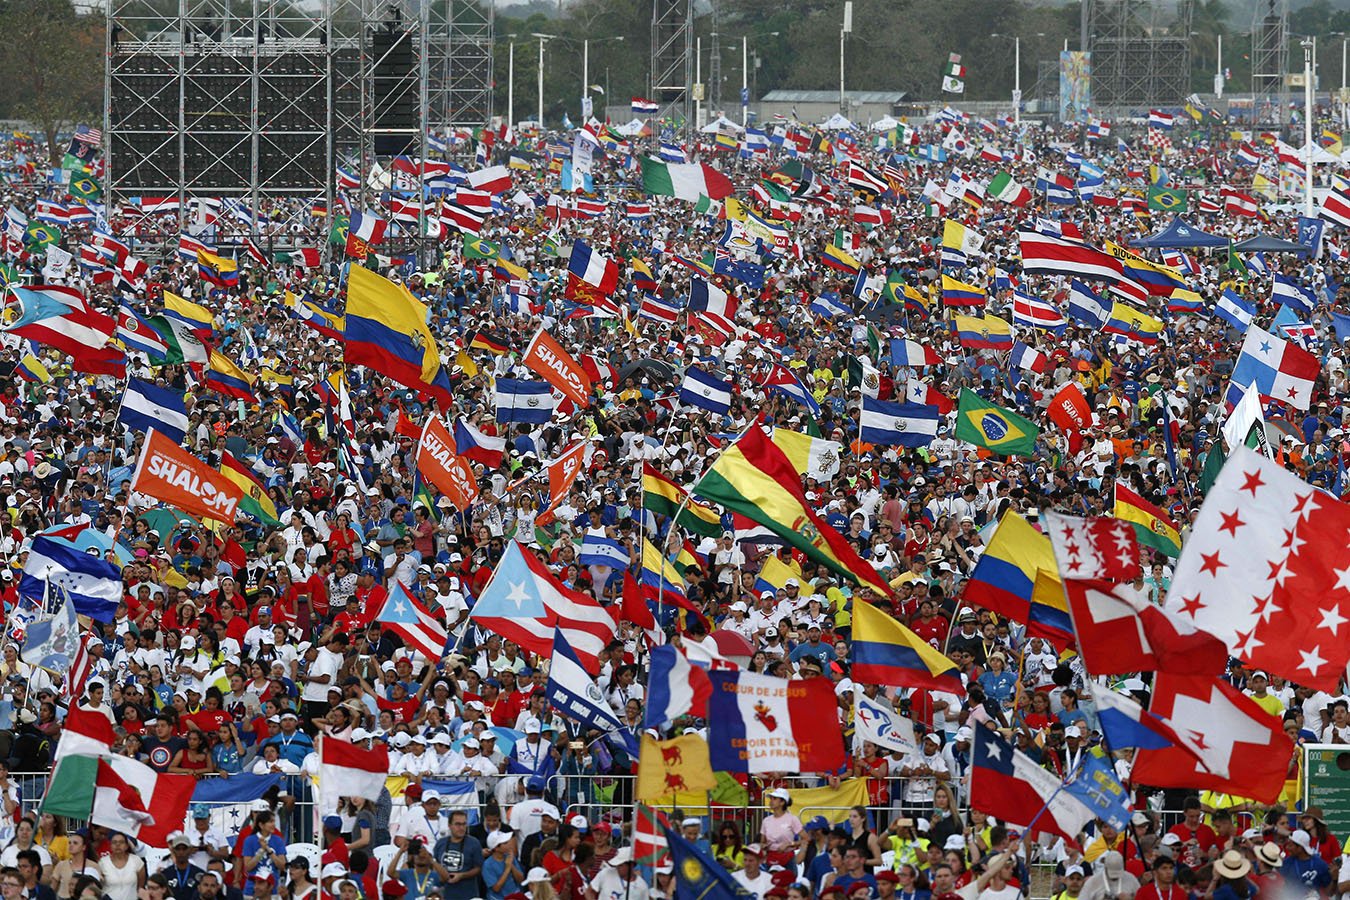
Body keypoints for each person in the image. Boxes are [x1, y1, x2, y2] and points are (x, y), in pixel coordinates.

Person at [1280, 830, 1331, 899]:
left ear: (1300, 848)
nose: (1287, 848)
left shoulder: (1321, 864)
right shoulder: (1287, 863)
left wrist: (1334, 879)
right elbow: (1280, 886)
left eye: (1290, 845)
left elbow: (1329, 891)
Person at [98, 833, 145, 900]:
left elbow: (140, 886)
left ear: (126, 846)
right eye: (114, 842)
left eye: (121, 842)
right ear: (110, 846)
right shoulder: (103, 862)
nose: (118, 845)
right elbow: (100, 885)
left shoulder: (136, 861)